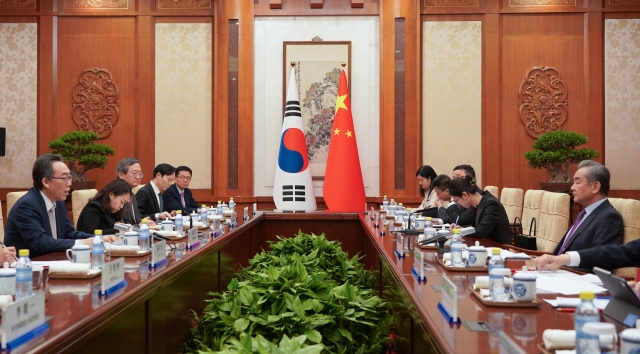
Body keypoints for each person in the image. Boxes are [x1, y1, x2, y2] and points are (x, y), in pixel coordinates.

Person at [4, 154, 118, 257]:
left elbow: (70, 233)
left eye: (70, 178)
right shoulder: (27, 206)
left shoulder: (59, 203)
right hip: (28, 269)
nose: (69, 183)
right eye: (64, 178)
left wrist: (97, 239)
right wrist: (82, 243)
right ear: (46, 182)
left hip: (54, 262)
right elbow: (40, 242)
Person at [551, 160, 623, 256]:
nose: (572, 187)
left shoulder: (609, 217)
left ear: (595, 187)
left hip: (572, 270)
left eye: (577, 182)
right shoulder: (584, 213)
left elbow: (600, 260)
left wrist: (562, 263)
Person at [448, 176, 511, 244]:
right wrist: (462, 227)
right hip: (484, 245)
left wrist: (461, 230)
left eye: (456, 200)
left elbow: (481, 231)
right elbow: (476, 227)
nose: (458, 204)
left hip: (499, 249)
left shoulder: (491, 204)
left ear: (465, 195)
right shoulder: (476, 205)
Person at [116, 157, 149, 225]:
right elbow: (122, 224)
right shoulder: (116, 195)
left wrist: (143, 222)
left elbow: (136, 220)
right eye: (134, 173)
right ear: (121, 175)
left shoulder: (132, 195)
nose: (138, 177)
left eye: (140, 174)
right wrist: (138, 225)